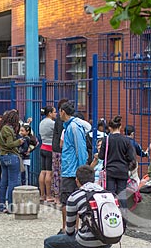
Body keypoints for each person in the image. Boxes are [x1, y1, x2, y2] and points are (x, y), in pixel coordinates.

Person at [44, 165, 113, 248]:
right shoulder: (108, 195)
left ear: (77, 180)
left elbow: (70, 231)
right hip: (108, 240)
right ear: (93, 179)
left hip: (86, 241)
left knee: (48, 242)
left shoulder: (75, 197)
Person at [58, 101, 90, 234]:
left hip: (72, 170)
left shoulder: (73, 128)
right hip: (70, 168)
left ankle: (69, 229)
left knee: (68, 201)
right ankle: (71, 228)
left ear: (63, 112)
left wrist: (81, 169)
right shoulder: (71, 126)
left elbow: (80, 149)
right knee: (69, 200)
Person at [98, 115, 136, 211]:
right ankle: (124, 220)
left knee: (110, 195)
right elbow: (131, 157)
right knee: (122, 196)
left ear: (110, 128)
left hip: (110, 171)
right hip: (123, 171)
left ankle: (111, 216)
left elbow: (101, 156)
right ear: (120, 127)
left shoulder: (106, 140)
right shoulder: (126, 141)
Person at [0, 110, 24, 213]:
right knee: (13, 182)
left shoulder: (0, 128)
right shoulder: (8, 129)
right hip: (11, 156)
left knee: (3, 182)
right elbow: (10, 144)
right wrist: (19, 141)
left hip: (3, 156)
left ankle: (1, 205)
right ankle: (11, 207)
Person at [51, 98, 68, 207]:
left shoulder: (57, 120)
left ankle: (56, 195)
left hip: (54, 148)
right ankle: (60, 195)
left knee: (55, 172)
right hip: (61, 149)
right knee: (61, 172)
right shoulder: (62, 121)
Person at [39, 105, 56, 202]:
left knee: (43, 171)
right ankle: (49, 195)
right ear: (49, 113)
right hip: (50, 148)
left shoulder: (42, 122)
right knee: (49, 172)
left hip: (43, 146)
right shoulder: (52, 123)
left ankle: (42, 194)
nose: (55, 113)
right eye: (54, 112)